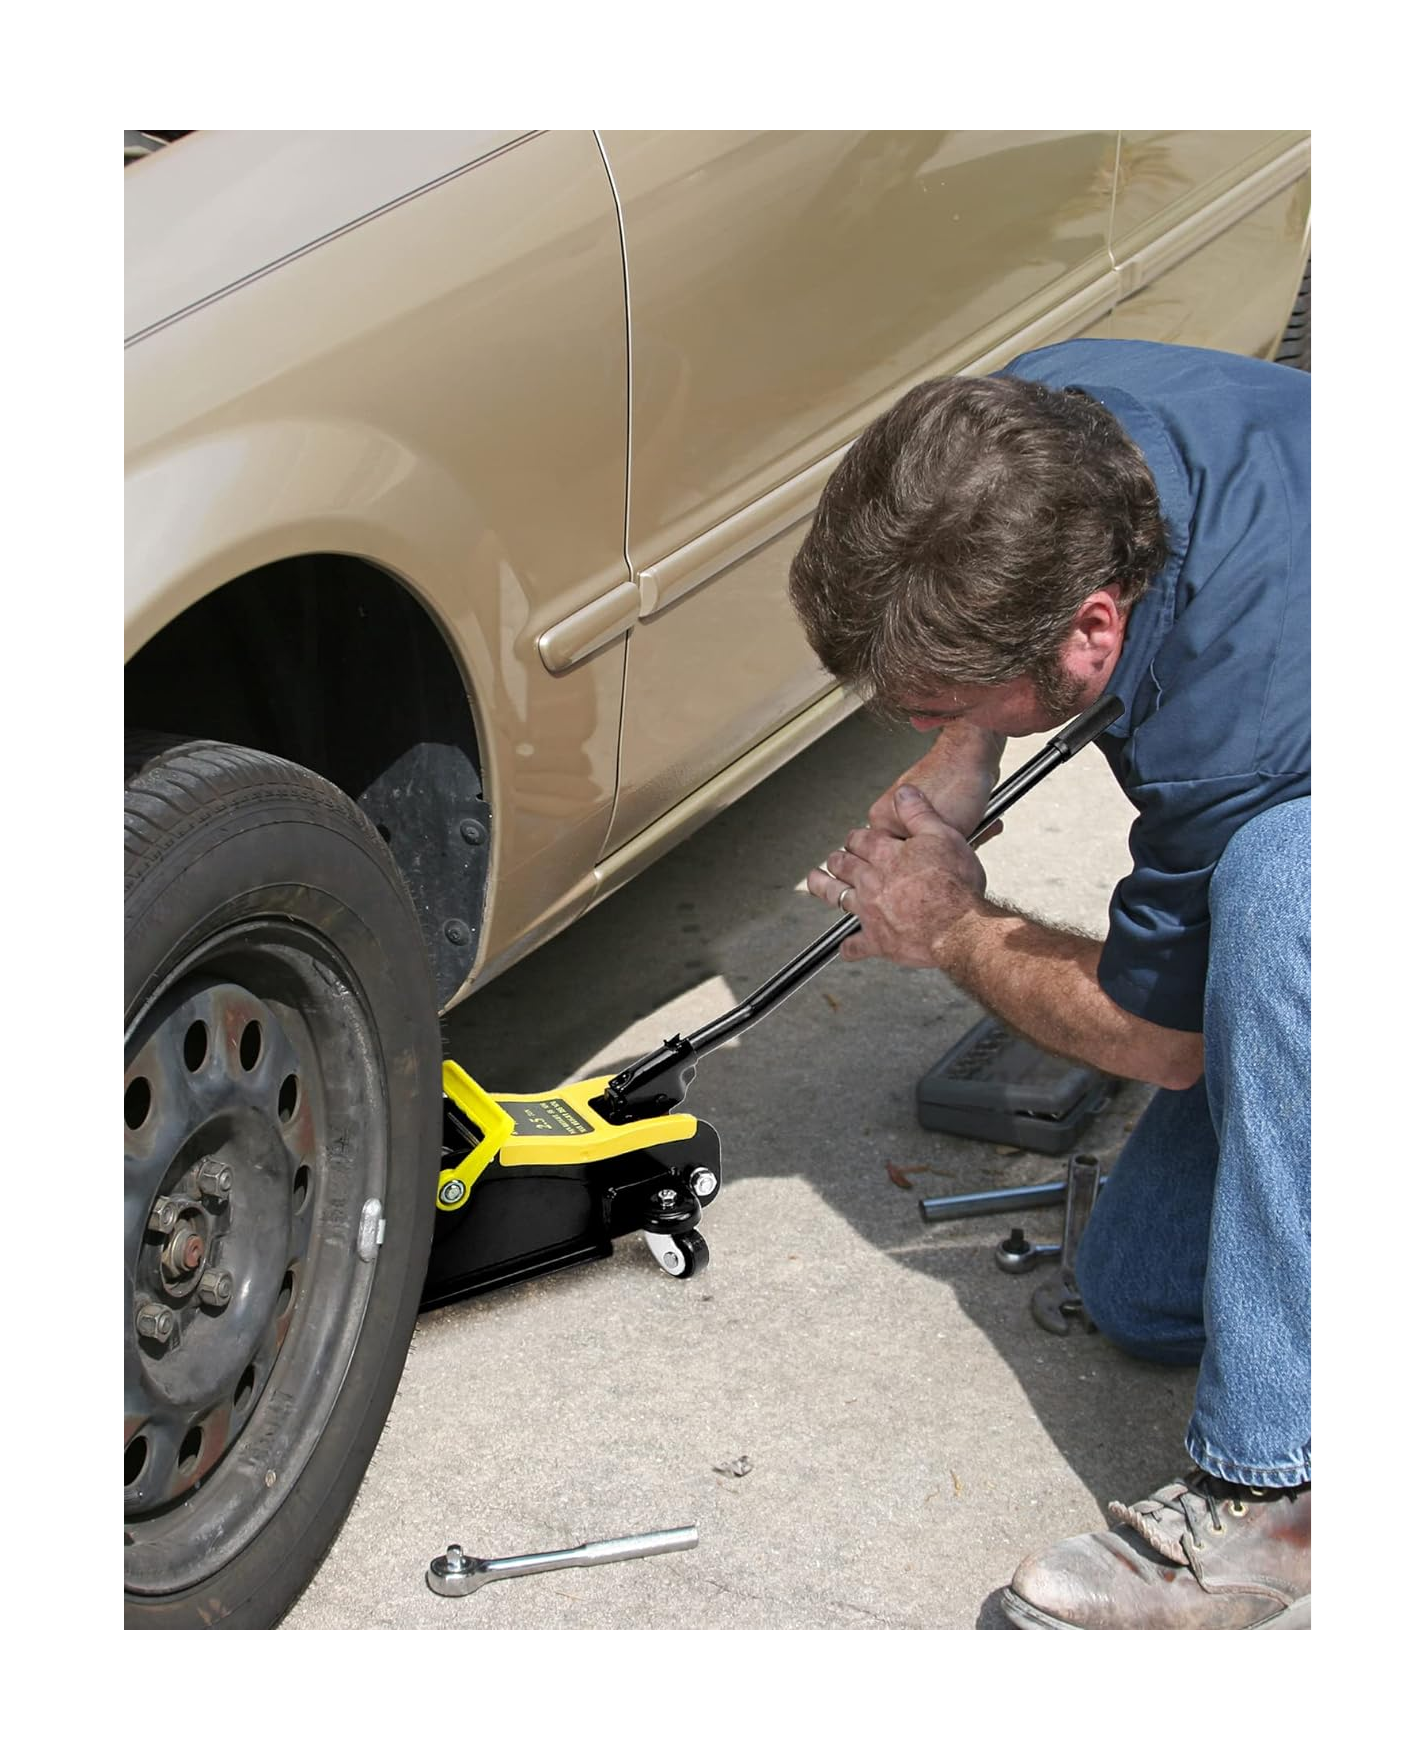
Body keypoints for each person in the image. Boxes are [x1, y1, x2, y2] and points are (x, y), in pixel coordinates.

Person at [789, 339, 1311, 1632]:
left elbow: (1160, 1042)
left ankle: (1274, 1505)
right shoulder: (1042, 424)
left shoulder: (1238, 711)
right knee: (1146, 1290)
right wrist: (968, 753)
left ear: (1093, 629)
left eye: (940, 702)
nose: (917, 727)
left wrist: (951, 928)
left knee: (1279, 895)